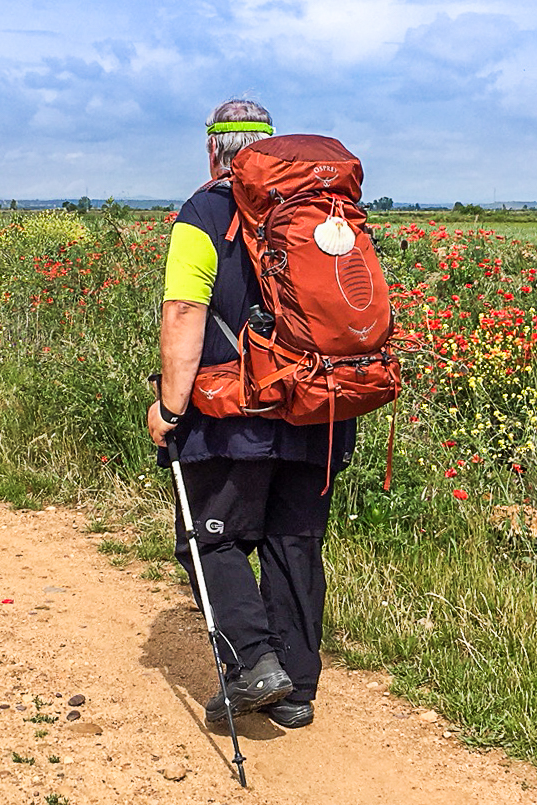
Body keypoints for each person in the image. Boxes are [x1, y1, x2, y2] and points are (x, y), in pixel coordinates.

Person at [146, 98, 356, 730]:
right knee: (294, 543)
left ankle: (253, 664)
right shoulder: (323, 210)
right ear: (268, 147)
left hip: (233, 413)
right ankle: (295, 691)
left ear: (214, 149)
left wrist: (168, 407)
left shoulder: (203, 213)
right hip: (320, 409)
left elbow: (185, 313)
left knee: (210, 536)